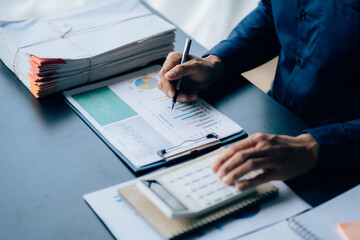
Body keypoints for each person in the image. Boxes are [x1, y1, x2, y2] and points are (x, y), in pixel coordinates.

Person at [158, 0, 360, 191]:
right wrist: (216, 63)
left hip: (342, 159)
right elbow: (272, 13)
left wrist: (314, 147)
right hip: (275, 119)